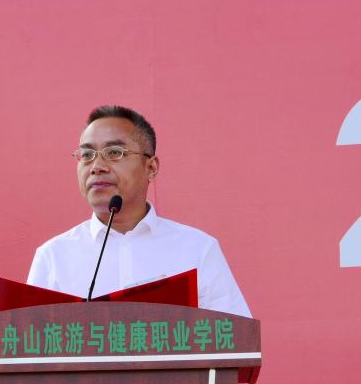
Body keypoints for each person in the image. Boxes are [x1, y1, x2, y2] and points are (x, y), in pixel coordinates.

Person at [27, 105, 251, 317]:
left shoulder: (197, 250)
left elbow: (235, 339)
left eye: (114, 152)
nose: (96, 167)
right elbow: (29, 341)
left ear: (151, 167)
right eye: (86, 155)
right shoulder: (53, 257)